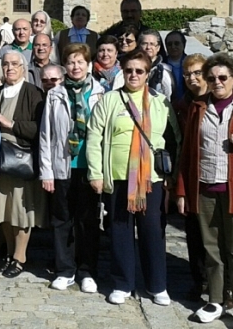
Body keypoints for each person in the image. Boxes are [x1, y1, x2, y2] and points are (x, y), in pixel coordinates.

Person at [87, 49, 180, 306]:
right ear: (122, 72)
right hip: (117, 178)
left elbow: (173, 139)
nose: (134, 75)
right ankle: (122, 283)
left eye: (139, 71)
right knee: (119, 231)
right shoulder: (110, 100)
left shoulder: (160, 102)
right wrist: (96, 173)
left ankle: (157, 284)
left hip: (151, 180)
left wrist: (171, 174)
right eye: (129, 70)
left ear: (148, 74)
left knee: (153, 232)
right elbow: (94, 137)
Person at [39, 43, 104, 293]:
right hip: (63, 165)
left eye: (80, 62)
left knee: (88, 220)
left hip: (90, 166)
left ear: (88, 64)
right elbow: (47, 135)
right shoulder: (55, 94)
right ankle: (65, 269)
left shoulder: (100, 92)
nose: (75, 66)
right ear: (64, 65)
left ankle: (87, 270)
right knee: (62, 219)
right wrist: (47, 172)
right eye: (70, 62)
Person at [177, 53, 233, 323]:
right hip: (206, 186)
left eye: (223, 77)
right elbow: (187, 153)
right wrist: (182, 191)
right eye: (212, 78)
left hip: (232, 190)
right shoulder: (199, 107)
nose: (217, 82)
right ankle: (216, 299)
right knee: (211, 249)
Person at [0, 51, 46, 278]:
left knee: (21, 211)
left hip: (21, 159)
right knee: (3, 209)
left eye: (14, 64)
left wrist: (11, 124)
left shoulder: (34, 93)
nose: (10, 68)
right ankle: (9, 252)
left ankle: (20, 257)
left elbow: (40, 127)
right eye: (5, 64)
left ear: (23, 68)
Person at [174, 53, 208, 302]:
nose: (192, 78)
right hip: (191, 174)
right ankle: (200, 282)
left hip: (215, 176)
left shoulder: (220, 102)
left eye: (197, 73)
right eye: (187, 74)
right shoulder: (182, 104)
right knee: (194, 235)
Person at [139, 29, 174, 101]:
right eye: (144, 43)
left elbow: (167, 98)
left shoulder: (163, 71)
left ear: (158, 48)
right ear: (139, 46)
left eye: (152, 44)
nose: (148, 47)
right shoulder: (132, 68)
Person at [165, 30, 187, 102]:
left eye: (177, 43)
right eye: (169, 44)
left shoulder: (191, 63)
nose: (173, 46)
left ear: (184, 44)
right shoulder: (161, 65)